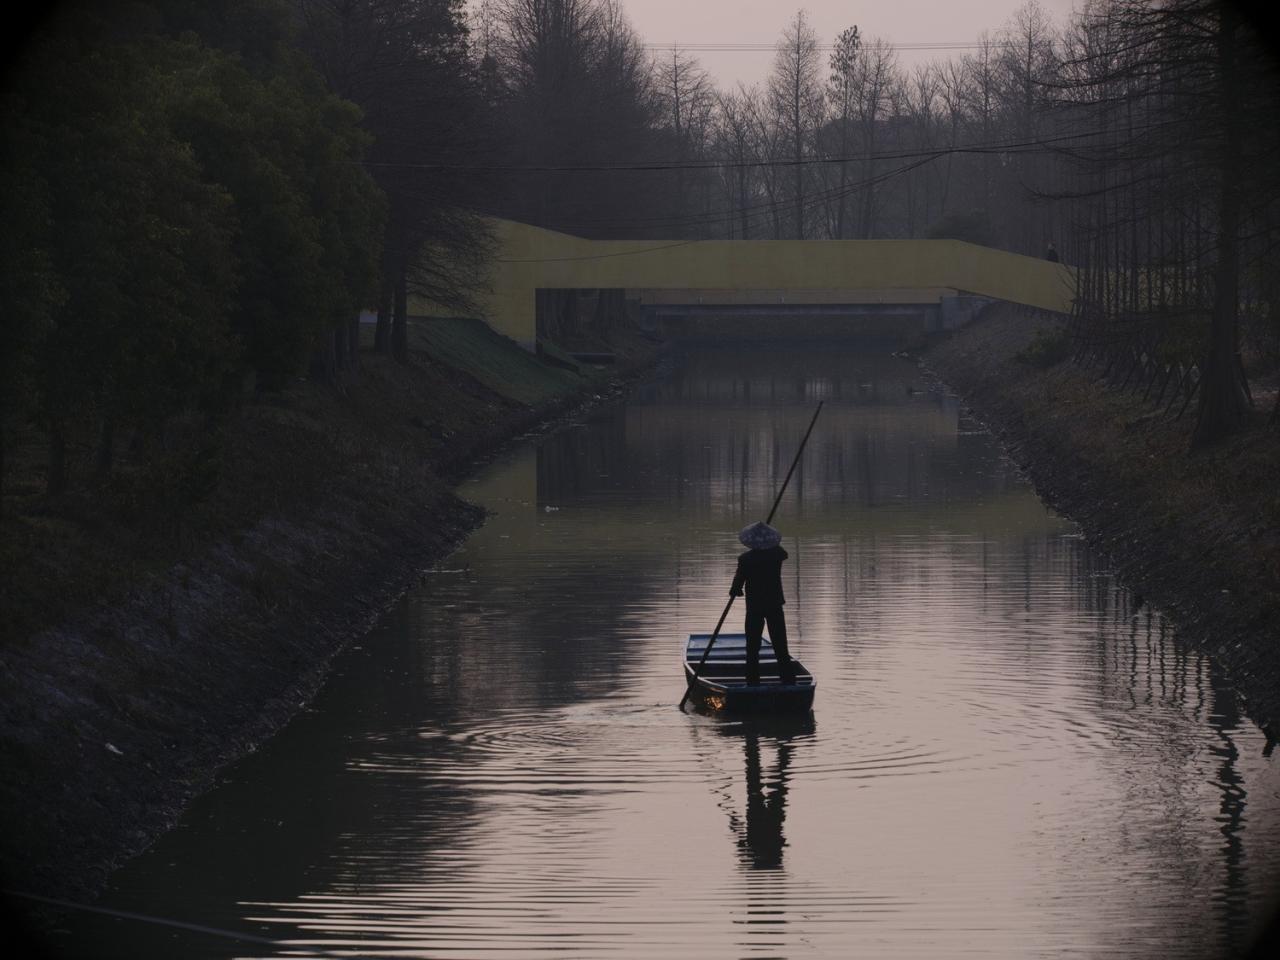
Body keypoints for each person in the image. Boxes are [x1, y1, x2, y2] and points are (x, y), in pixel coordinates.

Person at [730, 521, 796, 685]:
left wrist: (735, 590)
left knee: (752, 647)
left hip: (754, 607)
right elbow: (784, 553)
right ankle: (788, 680)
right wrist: (773, 544)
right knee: (780, 645)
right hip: (774, 605)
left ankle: (752, 681)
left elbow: (737, 585)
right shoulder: (776, 555)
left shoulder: (745, 559)